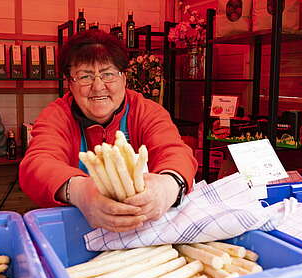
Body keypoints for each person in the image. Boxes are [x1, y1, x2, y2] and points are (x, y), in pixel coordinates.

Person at [19, 30, 197, 232]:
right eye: (84, 76)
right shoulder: (57, 115)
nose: (98, 86)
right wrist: (80, 192)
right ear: (70, 83)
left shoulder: (146, 111)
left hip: (143, 230)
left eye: (108, 74)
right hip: (74, 229)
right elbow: (36, 164)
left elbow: (175, 152)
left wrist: (167, 187)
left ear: (124, 78)